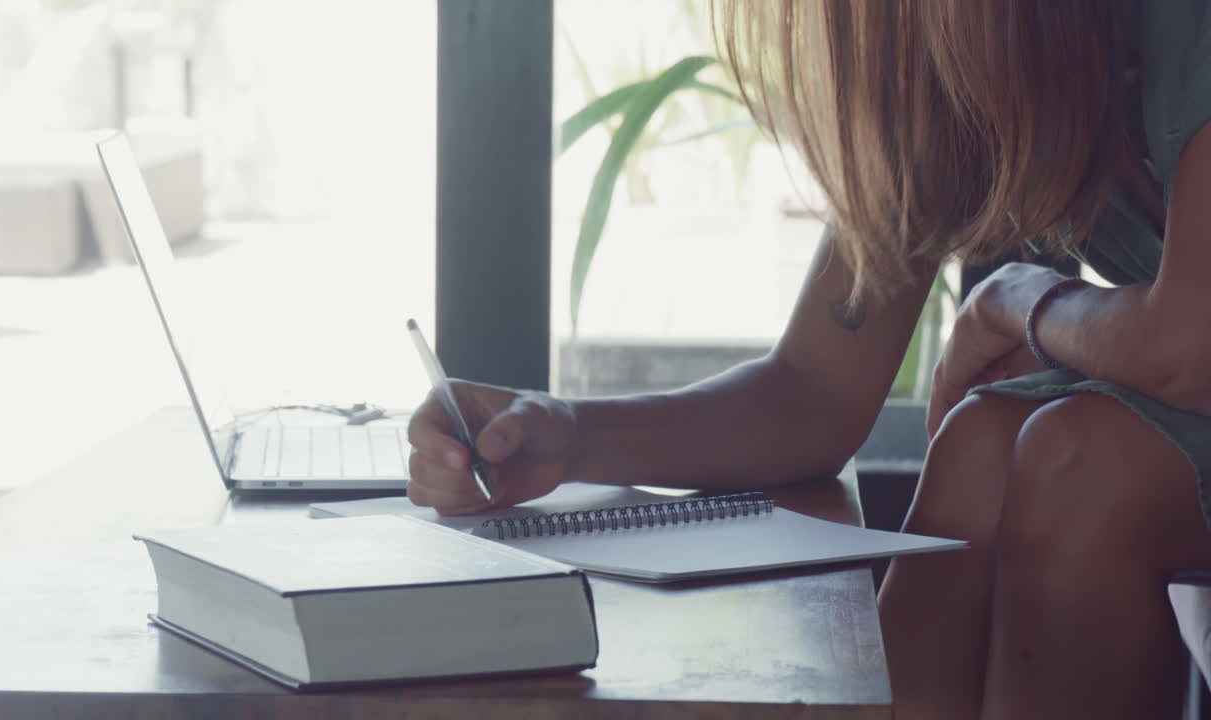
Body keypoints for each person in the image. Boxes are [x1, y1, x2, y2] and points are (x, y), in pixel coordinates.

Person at [406, 1, 1211, 716]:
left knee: (1087, 465)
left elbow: (1188, 347)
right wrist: (565, 434)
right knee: (979, 444)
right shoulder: (958, 56)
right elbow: (815, 389)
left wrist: (1019, 299)